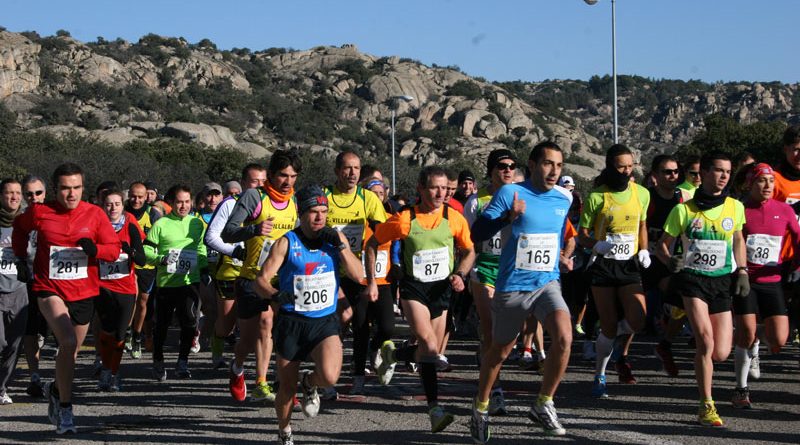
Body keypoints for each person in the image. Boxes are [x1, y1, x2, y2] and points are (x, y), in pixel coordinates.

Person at [468, 141, 574, 440]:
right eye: (548, 163)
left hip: (546, 282)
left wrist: (561, 258)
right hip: (513, 285)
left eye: (559, 165)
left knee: (565, 337)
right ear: (532, 164)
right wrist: (506, 217)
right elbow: (478, 233)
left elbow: (554, 234)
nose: (554, 171)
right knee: (499, 351)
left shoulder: (563, 199)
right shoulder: (509, 193)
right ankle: (481, 405)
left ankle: (543, 403)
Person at [12, 163, 121, 434]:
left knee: (69, 353)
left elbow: (114, 249)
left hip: (84, 291)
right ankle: (65, 408)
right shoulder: (40, 212)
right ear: (55, 189)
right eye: (64, 188)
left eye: (76, 188)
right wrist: (20, 257)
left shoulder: (95, 214)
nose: (71, 194)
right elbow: (19, 228)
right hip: (49, 288)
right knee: (68, 341)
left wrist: (96, 249)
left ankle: (55, 389)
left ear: (83, 188)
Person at [366, 166, 476, 433]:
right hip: (414, 289)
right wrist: (371, 280)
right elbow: (372, 244)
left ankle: (396, 355)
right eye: (434, 188)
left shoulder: (454, 218)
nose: (440, 193)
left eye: (444, 188)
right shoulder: (405, 219)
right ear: (421, 189)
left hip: (442, 289)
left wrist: (461, 273)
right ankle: (435, 408)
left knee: (430, 353)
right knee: (428, 344)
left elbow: (470, 250)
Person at [255, 185, 363, 445]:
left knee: (330, 376)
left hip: (324, 322)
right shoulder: (286, 242)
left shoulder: (334, 241)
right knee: (286, 389)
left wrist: (340, 246)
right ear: (301, 214)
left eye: (324, 212)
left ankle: (310, 382)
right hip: (292, 323)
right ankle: (284, 430)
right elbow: (260, 280)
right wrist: (274, 294)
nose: (319, 218)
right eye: (313, 212)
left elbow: (359, 275)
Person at [657, 151, 747, 427]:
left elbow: (738, 240)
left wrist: (742, 270)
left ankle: (675, 316)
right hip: (692, 280)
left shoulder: (735, 207)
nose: (723, 177)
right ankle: (706, 404)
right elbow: (662, 243)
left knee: (720, 352)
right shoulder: (683, 210)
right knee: (705, 342)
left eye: (728, 172)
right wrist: (670, 260)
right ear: (704, 173)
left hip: (721, 282)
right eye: (718, 171)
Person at [222, 150, 301, 402]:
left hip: (280, 279)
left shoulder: (294, 202)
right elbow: (228, 232)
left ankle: (268, 383)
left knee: (275, 326)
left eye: (293, 176)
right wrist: (255, 229)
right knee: (247, 339)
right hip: (251, 278)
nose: (287, 181)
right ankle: (237, 366)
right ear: (271, 174)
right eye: (282, 175)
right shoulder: (254, 196)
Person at [578, 144, 651, 397]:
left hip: (629, 263)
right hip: (604, 265)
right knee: (608, 326)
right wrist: (595, 244)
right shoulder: (597, 196)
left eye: (630, 166)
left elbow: (642, 224)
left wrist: (644, 249)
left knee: (638, 319)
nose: (627, 171)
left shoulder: (641, 193)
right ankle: (600, 373)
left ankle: (607, 340)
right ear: (610, 167)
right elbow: (582, 234)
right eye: (621, 166)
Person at [732, 163, 799, 408]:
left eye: (771, 181)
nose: (768, 185)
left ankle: (756, 341)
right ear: (750, 183)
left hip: (773, 282)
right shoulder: (740, 208)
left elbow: (799, 238)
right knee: (745, 334)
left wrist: (798, 265)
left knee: (779, 340)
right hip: (746, 280)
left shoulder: (784, 210)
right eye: (762, 181)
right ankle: (741, 390)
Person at [324, 150, 389, 396]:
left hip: (356, 271)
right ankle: (328, 377)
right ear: (337, 171)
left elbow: (381, 234)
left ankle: (357, 374)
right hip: (330, 272)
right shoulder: (326, 196)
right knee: (336, 324)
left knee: (361, 324)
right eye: (347, 168)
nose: (352, 173)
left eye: (356, 168)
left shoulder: (367, 199)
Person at [463, 148, 517, 414]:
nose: (507, 170)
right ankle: (494, 392)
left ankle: (484, 358)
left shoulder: (522, 198)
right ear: (491, 171)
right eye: (501, 166)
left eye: (511, 165)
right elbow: (467, 241)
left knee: (508, 339)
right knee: (492, 332)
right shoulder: (477, 202)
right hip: (484, 270)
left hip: (513, 273)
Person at [204, 164, 266, 373]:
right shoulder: (230, 204)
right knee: (227, 323)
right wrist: (235, 252)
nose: (260, 186)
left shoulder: (269, 204)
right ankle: (217, 353)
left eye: (263, 181)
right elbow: (210, 237)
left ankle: (260, 371)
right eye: (255, 182)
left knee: (262, 324)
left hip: (256, 274)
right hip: (230, 271)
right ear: (244, 183)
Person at [143, 185, 208, 381]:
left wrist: (204, 268)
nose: (184, 206)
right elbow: (146, 251)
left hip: (190, 281)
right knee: (162, 324)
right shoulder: (161, 224)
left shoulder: (197, 223)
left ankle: (182, 362)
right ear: (171, 203)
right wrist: (160, 259)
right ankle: (158, 359)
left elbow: (201, 248)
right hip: (166, 283)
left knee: (189, 322)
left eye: (187, 202)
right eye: (179, 202)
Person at [645, 155, 692, 376]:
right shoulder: (648, 198)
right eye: (667, 172)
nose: (673, 176)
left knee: (682, 303)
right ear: (655, 175)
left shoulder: (683, 199)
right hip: (645, 259)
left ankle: (665, 344)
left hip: (670, 260)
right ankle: (616, 356)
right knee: (631, 319)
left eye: (675, 172)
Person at [96, 189, 146, 392]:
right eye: (109, 204)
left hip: (125, 289)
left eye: (117, 204)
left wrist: (130, 251)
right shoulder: (96, 226)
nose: (113, 208)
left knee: (120, 334)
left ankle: (113, 373)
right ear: (103, 205)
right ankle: (106, 372)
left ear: (122, 205)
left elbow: (142, 260)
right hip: (103, 287)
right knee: (107, 332)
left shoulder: (130, 226)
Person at [125, 181, 162, 359]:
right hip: (127, 263)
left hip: (147, 264)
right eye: (133, 196)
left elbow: (161, 236)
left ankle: (137, 336)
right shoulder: (123, 212)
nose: (136, 200)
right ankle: (127, 333)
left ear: (146, 197)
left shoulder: (152, 214)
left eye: (140, 197)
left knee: (143, 302)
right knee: (131, 298)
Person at [0, 179, 28, 405]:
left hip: (20, 290)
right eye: (9, 193)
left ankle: (2, 387)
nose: (14, 197)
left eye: (17, 193)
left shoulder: (27, 223)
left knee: (14, 344)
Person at [20, 175, 48, 398]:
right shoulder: (20, 220)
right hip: (29, 281)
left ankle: (63, 376)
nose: (34, 197)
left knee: (61, 333)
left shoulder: (54, 217)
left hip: (55, 283)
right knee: (30, 331)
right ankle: (35, 377)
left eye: (38, 193)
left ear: (45, 194)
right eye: (29, 194)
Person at [773, 124, 800, 346]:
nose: (798, 154)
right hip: (777, 255)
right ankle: (754, 345)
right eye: (795, 148)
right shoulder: (773, 178)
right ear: (786, 149)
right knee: (775, 313)